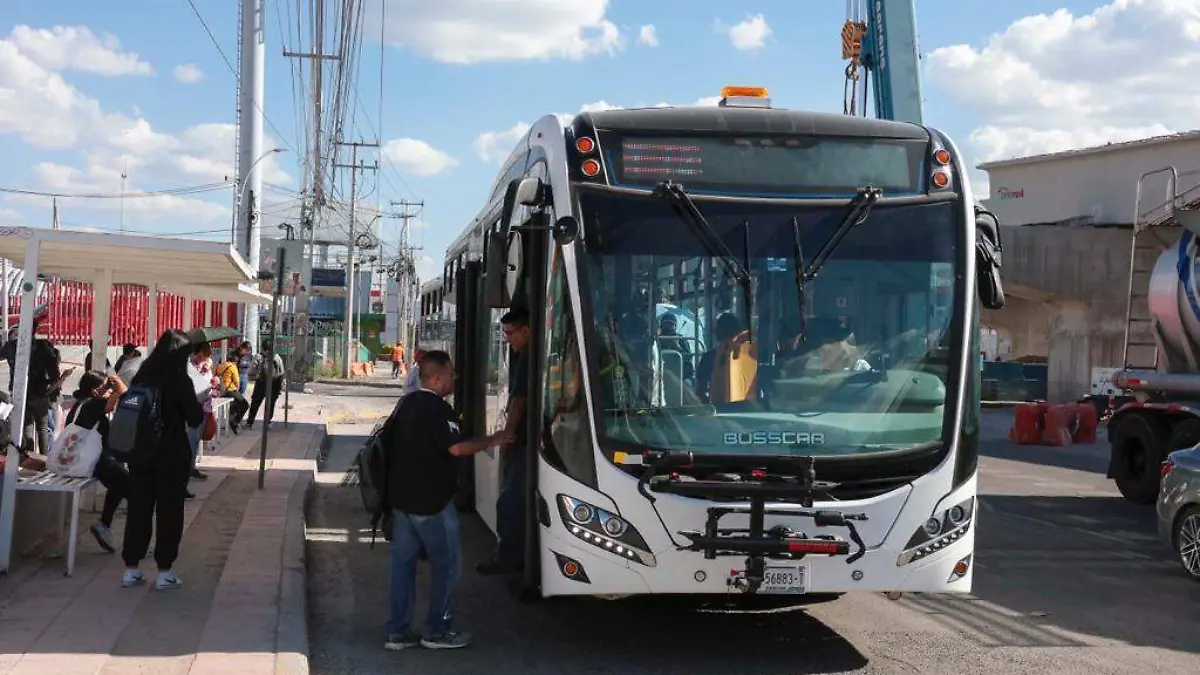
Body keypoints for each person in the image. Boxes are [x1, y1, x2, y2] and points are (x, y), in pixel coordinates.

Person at [383, 350, 513, 650]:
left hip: (401, 502)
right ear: (438, 378)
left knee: (402, 568)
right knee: (448, 565)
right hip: (431, 504)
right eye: (451, 372)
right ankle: (437, 630)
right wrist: (494, 439)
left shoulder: (405, 405)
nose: (455, 377)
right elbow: (456, 448)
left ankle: (398, 632)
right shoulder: (438, 410)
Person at [120, 329, 205, 590]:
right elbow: (195, 418)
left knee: (138, 510)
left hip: (139, 454)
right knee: (169, 512)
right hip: (170, 455)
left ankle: (131, 569)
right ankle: (164, 571)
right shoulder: (180, 380)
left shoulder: (142, 376)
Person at [477, 308, 530, 576]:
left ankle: (507, 557)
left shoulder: (528, 357)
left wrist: (508, 437)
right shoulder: (526, 354)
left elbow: (519, 401)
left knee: (509, 501)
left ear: (526, 330)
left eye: (510, 333)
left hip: (523, 441)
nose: (508, 339)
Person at [65, 370, 131, 553]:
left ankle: (104, 525)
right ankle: (137, 541)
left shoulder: (81, 404)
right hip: (93, 462)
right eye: (106, 388)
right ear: (95, 390)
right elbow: (125, 395)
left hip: (82, 459)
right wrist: (116, 381)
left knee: (120, 483)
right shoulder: (93, 404)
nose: (109, 391)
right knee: (138, 492)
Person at [246, 340, 285, 430]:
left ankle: (249, 423)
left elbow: (252, 370)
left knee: (255, 402)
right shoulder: (277, 357)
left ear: (262, 347)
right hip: (274, 384)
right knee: (270, 404)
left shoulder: (258, 356)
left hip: (261, 383)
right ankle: (267, 423)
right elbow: (281, 372)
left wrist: (252, 377)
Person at [213, 353, 250, 432]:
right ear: (235, 361)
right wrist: (237, 389)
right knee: (245, 405)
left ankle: (232, 419)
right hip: (230, 390)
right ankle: (235, 422)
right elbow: (236, 381)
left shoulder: (219, 366)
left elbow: (214, 376)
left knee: (235, 404)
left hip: (220, 391)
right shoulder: (233, 367)